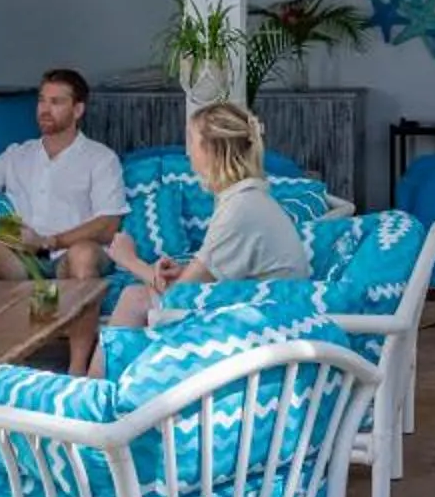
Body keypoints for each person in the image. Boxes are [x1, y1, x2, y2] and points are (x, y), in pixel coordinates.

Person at [103, 101, 311, 352]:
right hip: (259, 315)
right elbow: (207, 278)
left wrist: (129, 260)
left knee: (134, 298)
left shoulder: (240, 209)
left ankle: (98, 386)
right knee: (138, 297)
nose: (188, 153)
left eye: (191, 141)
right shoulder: (243, 199)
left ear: (212, 149)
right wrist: (186, 271)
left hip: (264, 332)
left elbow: (178, 297)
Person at [0, 68, 125, 292]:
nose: (45, 110)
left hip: (71, 249)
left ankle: (78, 325)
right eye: (41, 101)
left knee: (83, 255)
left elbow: (107, 225)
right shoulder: (16, 155)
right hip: (25, 254)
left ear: (77, 110)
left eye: (56, 102)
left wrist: (52, 242)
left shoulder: (101, 158)